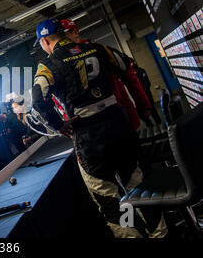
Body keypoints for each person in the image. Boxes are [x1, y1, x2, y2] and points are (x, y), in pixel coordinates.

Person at [31, 18, 167, 238]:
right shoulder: (95, 47)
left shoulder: (48, 64)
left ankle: (133, 235)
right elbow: (126, 66)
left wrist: (59, 125)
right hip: (118, 125)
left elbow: (38, 99)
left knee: (109, 199)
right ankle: (161, 234)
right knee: (139, 187)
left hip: (89, 136)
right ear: (65, 34)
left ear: (45, 41)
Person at [61, 19, 152, 131]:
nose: (62, 42)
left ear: (75, 32)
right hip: (89, 128)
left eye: (65, 36)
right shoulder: (59, 62)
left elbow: (129, 75)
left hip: (118, 116)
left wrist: (143, 105)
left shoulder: (98, 49)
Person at [131, 59, 162, 126]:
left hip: (146, 94)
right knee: (141, 113)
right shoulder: (131, 74)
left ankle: (159, 123)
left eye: (131, 63)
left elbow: (147, 84)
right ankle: (149, 125)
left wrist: (145, 94)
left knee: (152, 109)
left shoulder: (140, 71)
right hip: (139, 97)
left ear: (133, 63)